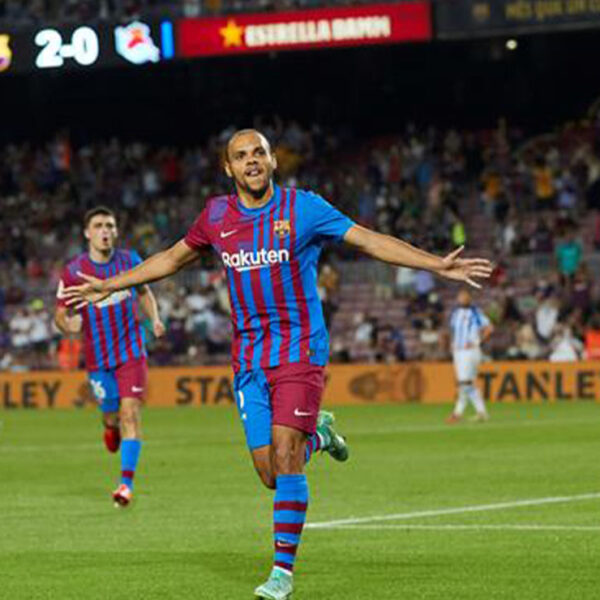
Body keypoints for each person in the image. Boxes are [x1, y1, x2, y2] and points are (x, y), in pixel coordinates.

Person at [62, 130, 492, 600]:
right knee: (270, 473)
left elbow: (368, 240)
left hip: (299, 350)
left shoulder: (303, 208)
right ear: (228, 168)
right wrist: (111, 285)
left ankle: (282, 573)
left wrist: (436, 265)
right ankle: (320, 436)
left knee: (287, 456)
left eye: (259, 153)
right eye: (241, 156)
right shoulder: (216, 215)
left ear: (272, 161)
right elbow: (171, 258)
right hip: (249, 359)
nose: (251, 161)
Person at [54, 206, 165, 507]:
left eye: (110, 225)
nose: (105, 231)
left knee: (131, 413)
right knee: (112, 416)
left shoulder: (130, 261)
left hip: (131, 352)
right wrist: (69, 325)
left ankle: (125, 485)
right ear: (87, 233)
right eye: (99, 226)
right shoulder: (74, 271)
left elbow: (144, 292)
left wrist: (155, 319)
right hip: (98, 359)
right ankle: (109, 427)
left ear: (116, 232)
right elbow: (60, 314)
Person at [446, 289, 494, 424]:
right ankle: (481, 412)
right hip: (458, 352)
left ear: (469, 298)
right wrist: (452, 343)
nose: (462, 299)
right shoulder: (455, 313)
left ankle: (457, 413)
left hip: (470, 351)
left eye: (465, 296)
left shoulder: (475, 312)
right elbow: (453, 330)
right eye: (460, 296)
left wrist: (477, 342)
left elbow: (489, 328)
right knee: (467, 383)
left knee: (464, 382)